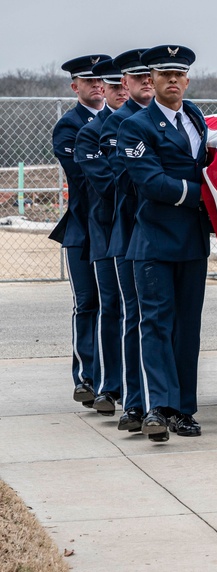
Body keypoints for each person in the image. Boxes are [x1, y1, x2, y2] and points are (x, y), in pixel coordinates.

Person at [118, 45, 210, 442]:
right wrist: (201, 195)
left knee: (187, 329)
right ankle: (158, 407)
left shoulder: (196, 119)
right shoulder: (135, 126)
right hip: (154, 241)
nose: (173, 81)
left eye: (179, 75)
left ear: (187, 80)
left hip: (192, 242)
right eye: (164, 75)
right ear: (151, 80)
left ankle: (183, 409)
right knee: (156, 325)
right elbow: (151, 182)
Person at [49, 53, 110, 409]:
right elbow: (85, 177)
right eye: (89, 81)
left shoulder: (118, 120)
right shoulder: (69, 126)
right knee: (88, 302)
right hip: (83, 228)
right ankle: (86, 376)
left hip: (110, 227)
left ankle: (107, 377)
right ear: (75, 87)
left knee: (111, 305)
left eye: (101, 80)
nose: (98, 86)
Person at [100, 48, 154, 433]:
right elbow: (120, 184)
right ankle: (134, 403)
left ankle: (165, 401)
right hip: (132, 233)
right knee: (135, 319)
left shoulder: (175, 116)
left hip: (163, 234)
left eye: (151, 76)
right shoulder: (116, 124)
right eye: (140, 78)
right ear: (125, 83)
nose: (148, 83)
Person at [74, 58, 129, 417]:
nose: (121, 91)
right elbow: (106, 184)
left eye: (125, 84)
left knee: (141, 312)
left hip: (140, 229)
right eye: (114, 87)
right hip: (107, 230)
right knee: (111, 307)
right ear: (105, 90)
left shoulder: (142, 124)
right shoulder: (90, 133)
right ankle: (109, 386)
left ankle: (139, 388)